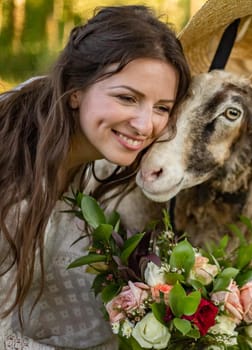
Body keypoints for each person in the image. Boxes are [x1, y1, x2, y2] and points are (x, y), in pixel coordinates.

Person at [0, 5, 190, 349]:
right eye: (127, 98)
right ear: (75, 90)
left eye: (162, 107)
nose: (146, 125)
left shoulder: (93, 161)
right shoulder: (13, 177)